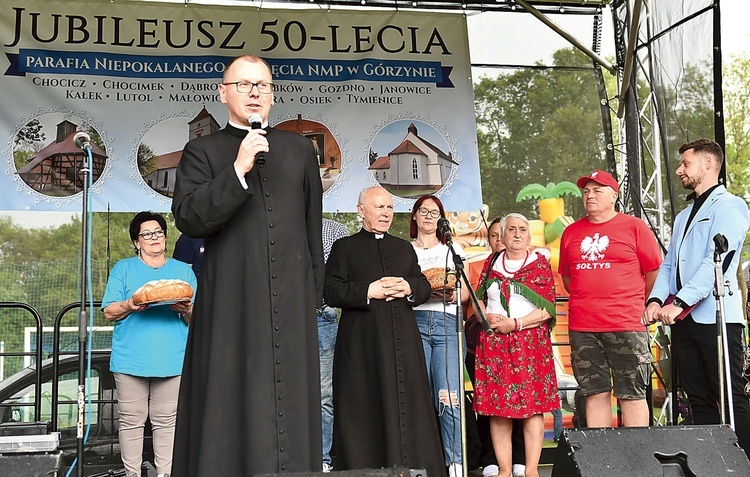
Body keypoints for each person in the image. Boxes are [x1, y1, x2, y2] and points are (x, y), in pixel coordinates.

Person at [171, 54, 324, 476]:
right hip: (231, 304)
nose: (255, 92)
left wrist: (312, 295)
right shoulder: (202, 151)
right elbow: (189, 218)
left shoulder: (298, 149)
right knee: (228, 399)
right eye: (244, 84)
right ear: (224, 93)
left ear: (272, 94)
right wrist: (237, 169)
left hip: (291, 304)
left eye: (263, 85)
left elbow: (313, 229)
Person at [324, 186, 444, 477]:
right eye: (379, 208)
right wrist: (369, 290)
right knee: (365, 408)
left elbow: (424, 285)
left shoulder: (404, 248)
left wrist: (409, 288)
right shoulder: (344, 248)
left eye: (390, 208)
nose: (386, 214)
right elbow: (330, 291)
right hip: (361, 344)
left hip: (403, 343)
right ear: (361, 210)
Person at [643, 138, 750, 457]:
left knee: (731, 398)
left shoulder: (731, 205)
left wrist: (680, 302)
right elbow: (669, 263)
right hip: (683, 320)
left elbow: (717, 260)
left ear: (707, 164)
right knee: (698, 399)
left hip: (716, 318)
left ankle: (743, 463)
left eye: (685, 164)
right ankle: (711, 464)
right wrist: (656, 300)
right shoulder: (683, 215)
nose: (679, 170)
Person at [558, 169, 662, 428]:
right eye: (585, 192)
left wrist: (639, 302)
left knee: (632, 394)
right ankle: (603, 462)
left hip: (626, 323)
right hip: (584, 326)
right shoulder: (571, 232)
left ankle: (637, 461)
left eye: (597, 190)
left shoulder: (634, 227)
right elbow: (568, 279)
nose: (589, 196)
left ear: (613, 196)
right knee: (594, 393)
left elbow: (654, 272)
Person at [101, 211, 197, 477]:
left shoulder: (182, 272)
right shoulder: (123, 268)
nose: (154, 238)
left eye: (158, 232)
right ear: (136, 241)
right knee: (131, 422)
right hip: (131, 360)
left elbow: (196, 320)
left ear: (165, 237)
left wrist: (184, 309)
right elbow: (109, 312)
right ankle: (132, 474)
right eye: (147, 234)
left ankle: (165, 475)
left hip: (172, 360)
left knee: (166, 423)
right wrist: (131, 305)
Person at [473, 213, 558, 477]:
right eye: (511, 229)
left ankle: (531, 470)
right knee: (498, 410)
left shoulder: (539, 265)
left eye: (523, 229)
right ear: (502, 235)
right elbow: (478, 302)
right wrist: (485, 317)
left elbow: (547, 309)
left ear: (529, 236)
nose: (517, 234)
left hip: (530, 344)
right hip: (495, 344)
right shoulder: (491, 262)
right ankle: (504, 470)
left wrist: (517, 324)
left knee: (532, 409)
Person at [410, 194, 469, 477]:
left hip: (447, 323)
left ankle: (455, 463)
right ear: (414, 216)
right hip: (416, 322)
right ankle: (422, 462)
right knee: (417, 395)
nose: (429, 217)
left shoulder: (452, 249)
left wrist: (449, 291)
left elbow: (465, 292)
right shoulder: (405, 251)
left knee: (449, 395)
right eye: (424, 211)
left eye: (435, 212)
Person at [319, 218, 349, 472]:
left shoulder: (336, 230)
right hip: (283, 317)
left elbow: (341, 278)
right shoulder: (280, 225)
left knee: (324, 394)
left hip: (323, 316)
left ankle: (322, 459)